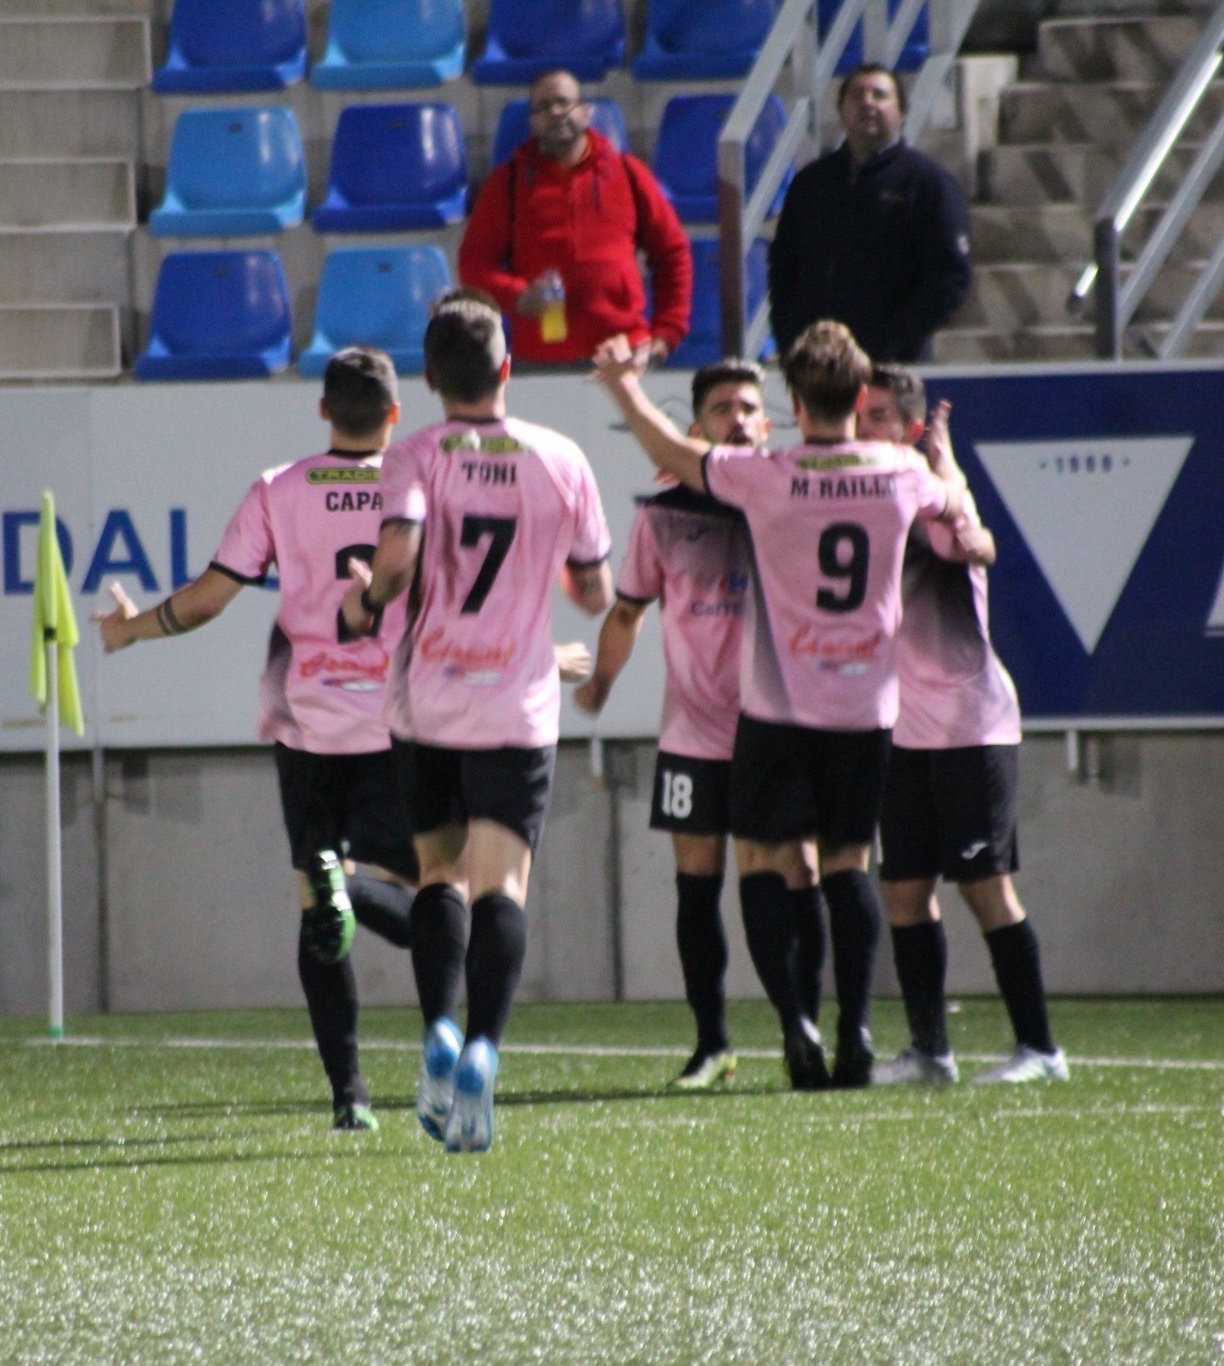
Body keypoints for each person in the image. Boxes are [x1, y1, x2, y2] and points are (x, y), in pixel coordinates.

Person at [591, 320, 978, 1090]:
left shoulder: (766, 474)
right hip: (866, 711)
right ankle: (857, 1029)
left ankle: (796, 1023)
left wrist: (624, 387)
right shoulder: (898, 471)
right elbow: (953, 513)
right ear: (860, 396)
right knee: (848, 865)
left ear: (794, 403)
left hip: (777, 709)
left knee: (765, 861)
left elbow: (673, 455)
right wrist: (948, 465)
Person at [91, 347, 420, 1133]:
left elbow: (210, 598)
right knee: (436, 902)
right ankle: (439, 1054)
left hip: (304, 722)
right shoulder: (415, 487)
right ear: (395, 414)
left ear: (323, 410)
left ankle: (351, 1096)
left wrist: (135, 630)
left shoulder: (280, 487)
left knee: (315, 904)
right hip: (399, 718)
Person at [339, 291, 612, 1153]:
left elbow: (397, 559)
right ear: (507, 367)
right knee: (503, 885)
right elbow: (597, 590)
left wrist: (365, 599)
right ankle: (486, 1050)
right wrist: (551, 580)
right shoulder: (562, 458)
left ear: (428, 379)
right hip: (517, 705)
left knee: (436, 875)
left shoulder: (417, 455)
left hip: (427, 701)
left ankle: (438, 1035)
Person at [572, 360, 826, 1091]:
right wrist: (601, 683)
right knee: (696, 883)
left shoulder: (789, 503)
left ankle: (799, 1026)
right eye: (721, 409)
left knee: (792, 870)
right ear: (693, 430)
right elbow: (626, 612)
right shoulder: (663, 516)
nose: (738, 419)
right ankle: (712, 1042)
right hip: (692, 731)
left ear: (770, 425)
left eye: (749, 408)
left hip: (777, 728)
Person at [855, 365, 1068, 1085]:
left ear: (910, 430)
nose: (863, 428)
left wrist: (966, 517)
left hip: (969, 726)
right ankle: (930, 1052)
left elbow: (976, 544)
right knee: (904, 891)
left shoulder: (922, 498)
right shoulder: (867, 499)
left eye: (878, 415)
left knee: (985, 889)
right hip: (903, 731)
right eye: (858, 414)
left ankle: (1041, 1050)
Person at [458, 68, 692, 366]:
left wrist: (665, 335)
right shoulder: (508, 182)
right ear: (531, 122)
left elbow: (673, 252)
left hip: (624, 356)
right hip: (540, 361)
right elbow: (474, 265)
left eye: (563, 102)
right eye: (543, 107)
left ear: (585, 111)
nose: (555, 112)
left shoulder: (628, 172)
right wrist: (517, 296)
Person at [768, 63, 972, 363]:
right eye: (857, 95)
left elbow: (950, 279)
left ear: (902, 111)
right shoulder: (811, 184)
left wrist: (891, 341)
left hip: (894, 366)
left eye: (880, 95)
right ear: (840, 109)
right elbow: (784, 267)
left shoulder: (928, 183)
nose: (868, 103)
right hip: (817, 368)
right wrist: (791, 339)